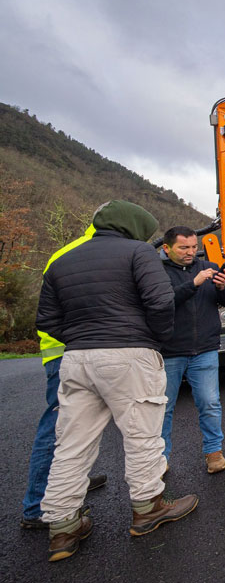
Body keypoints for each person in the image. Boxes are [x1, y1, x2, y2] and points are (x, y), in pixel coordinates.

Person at [35, 200, 199, 562]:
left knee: (71, 445)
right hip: (130, 356)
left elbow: (46, 319)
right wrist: (152, 340)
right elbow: (160, 303)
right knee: (142, 437)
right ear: (136, 229)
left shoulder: (63, 260)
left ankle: (62, 528)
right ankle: (147, 509)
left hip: (76, 360)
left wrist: (82, 339)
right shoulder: (138, 253)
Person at [19, 225, 108, 530]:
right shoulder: (97, 254)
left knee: (77, 426)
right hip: (70, 352)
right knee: (58, 428)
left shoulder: (66, 252)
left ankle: (71, 482)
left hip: (65, 350)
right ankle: (38, 506)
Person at [159, 226, 225, 474]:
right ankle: (159, 460)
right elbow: (162, 303)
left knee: (210, 403)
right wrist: (193, 284)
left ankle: (214, 453)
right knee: (163, 408)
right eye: (184, 247)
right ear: (167, 248)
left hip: (204, 348)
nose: (190, 252)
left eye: (194, 247)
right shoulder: (156, 272)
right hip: (169, 351)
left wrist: (223, 286)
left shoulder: (210, 267)